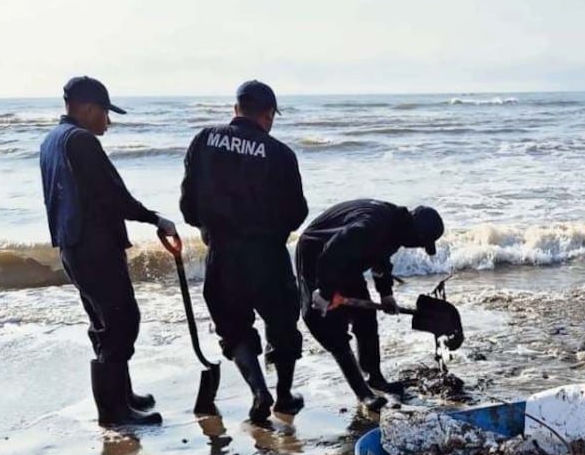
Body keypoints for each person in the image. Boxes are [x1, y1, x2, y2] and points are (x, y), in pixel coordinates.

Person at [39, 76, 175, 427]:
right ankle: (114, 412)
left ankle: (121, 397)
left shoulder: (52, 141)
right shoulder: (81, 141)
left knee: (103, 323)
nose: (108, 122)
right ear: (86, 109)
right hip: (94, 247)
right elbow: (112, 195)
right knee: (122, 321)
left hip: (73, 246)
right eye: (104, 113)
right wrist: (154, 218)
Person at [180, 80, 308, 423]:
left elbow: (188, 204)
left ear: (236, 109)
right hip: (268, 254)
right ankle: (283, 396)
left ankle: (257, 391)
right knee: (282, 325)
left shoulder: (204, 140)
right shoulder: (280, 154)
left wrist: (206, 227)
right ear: (268, 115)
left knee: (234, 328)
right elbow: (298, 212)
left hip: (223, 253)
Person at [296, 199, 445, 412]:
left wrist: (386, 294)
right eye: (421, 242)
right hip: (317, 254)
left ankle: (374, 377)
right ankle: (363, 394)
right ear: (413, 232)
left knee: (365, 320)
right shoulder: (370, 226)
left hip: (346, 259)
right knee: (330, 328)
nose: (419, 246)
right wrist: (326, 292)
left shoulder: (395, 228)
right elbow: (333, 250)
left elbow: (380, 258)